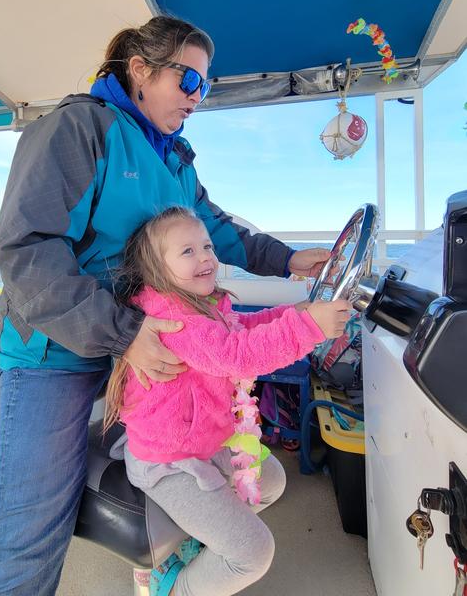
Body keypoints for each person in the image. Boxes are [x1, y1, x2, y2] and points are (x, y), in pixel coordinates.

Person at [0, 15, 341, 595]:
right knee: (33, 528)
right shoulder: (77, 130)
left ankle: (176, 563)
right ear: (141, 71)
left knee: (198, 463)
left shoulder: (175, 157)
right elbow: (26, 252)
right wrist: (125, 332)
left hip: (139, 338)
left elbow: (216, 229)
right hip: (59, 347)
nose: (198, 98)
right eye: (189, 81)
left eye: (206, 87)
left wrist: (289, 260)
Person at [105, 206, 350, 596]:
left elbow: (243, 328)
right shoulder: (174, 321)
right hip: (170, 461)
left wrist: (296, 312)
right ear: (155, 268)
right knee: (253, 553)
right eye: (187, 251)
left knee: (270, 481)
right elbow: (237, 354)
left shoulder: (202, 304)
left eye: (206, 245)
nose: (205, 256)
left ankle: (196, 543)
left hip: (205, 441)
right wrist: (309, 327)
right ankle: (168, 588)